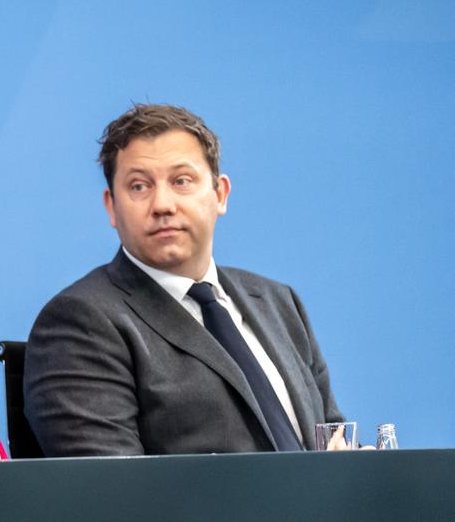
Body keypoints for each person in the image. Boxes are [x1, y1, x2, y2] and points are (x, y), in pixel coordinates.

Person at [24, 104, 343, 455]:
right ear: (111, 206)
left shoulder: (278, 303)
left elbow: (335, 442)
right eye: (139, 186)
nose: (163, 204)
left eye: (181, 181)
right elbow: (113, 484)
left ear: (220, 194)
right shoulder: (80, 323)